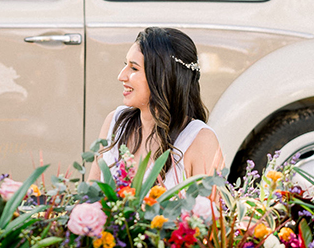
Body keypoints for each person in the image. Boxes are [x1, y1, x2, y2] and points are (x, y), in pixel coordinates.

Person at [91, 27, 223, 187]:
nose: (121, 76)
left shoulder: (200, 140)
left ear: (163, 78)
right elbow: (89, 198)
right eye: (126, 64)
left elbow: (212, 210)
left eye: (134, 68)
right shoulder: (115, 122)